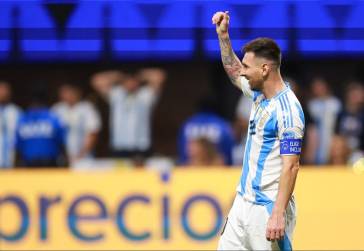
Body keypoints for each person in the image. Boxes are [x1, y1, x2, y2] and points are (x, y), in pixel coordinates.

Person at [212, 11, 305, 250]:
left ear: (265, 69)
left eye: (247, 66)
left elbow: (291, 165)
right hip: (242, 204)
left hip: (268, 207)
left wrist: (278, 213)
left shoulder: (289, 111)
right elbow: (233, 72)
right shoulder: (258, 95)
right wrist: (223, 36)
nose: (242, 70)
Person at [92, 68, 166, 163]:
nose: (131, 84)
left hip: (141, 146)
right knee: (120, 176)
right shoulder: (116, 94)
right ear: (123, 83)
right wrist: (118, 76)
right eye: (127, 81)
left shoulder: (145, 95)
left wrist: (141, 75)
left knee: (142, 176)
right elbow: (96, 80)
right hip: (119, 146)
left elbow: (159, 76)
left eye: (133, 81)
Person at [15, 84, 67, 167]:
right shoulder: (53, 117)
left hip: (47, 162)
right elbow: (62, 143)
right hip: (33, 163)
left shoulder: (23, 119)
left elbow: (17, 146)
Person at [52, 83, 101, 166]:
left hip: (84, 157)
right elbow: (53, 134)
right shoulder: (57, 109)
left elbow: (93, 132)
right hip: (62, 157)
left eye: (70, 92)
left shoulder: (87, 108)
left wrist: (81, 155)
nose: (67, 95)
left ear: (77, 93)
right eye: (64, 93)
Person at [307, 77, 341, 164]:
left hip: (331, 136)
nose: (318, 89)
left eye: (320, 86)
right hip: (315, 140)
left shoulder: (335, 103)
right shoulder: (311, 104)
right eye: (315, 87)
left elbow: (339, 123)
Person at [0, 81, 21, 168]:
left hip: (11, 161)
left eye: (5, 90)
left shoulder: (16, 111)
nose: (2, 93)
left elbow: (20, 137)